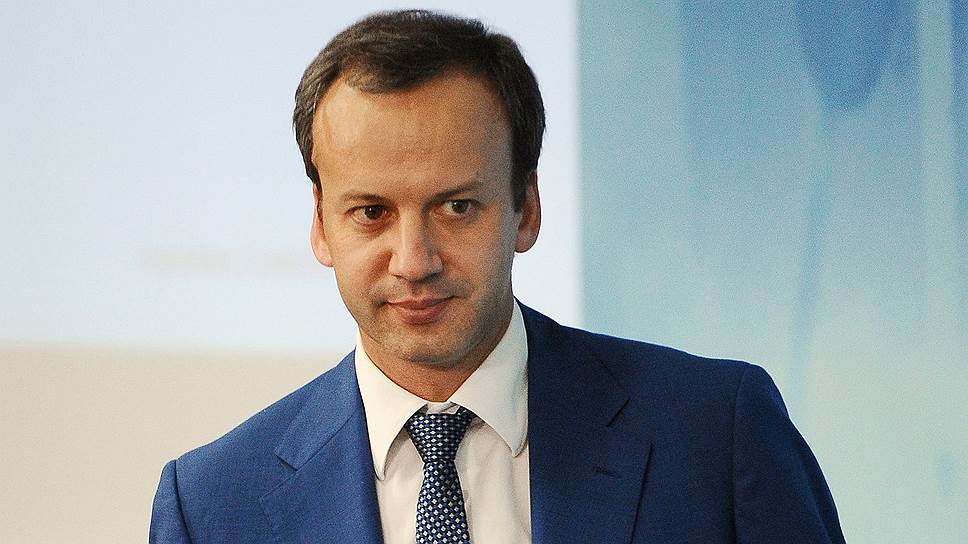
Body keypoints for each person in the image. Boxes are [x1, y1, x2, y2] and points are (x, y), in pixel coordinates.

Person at [150, 9, 845, 544]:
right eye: (371, 213)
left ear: (526, 209)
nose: (414, 260)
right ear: (321, 225)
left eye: (456, 207)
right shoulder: (210, 506)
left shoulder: (715, 434)